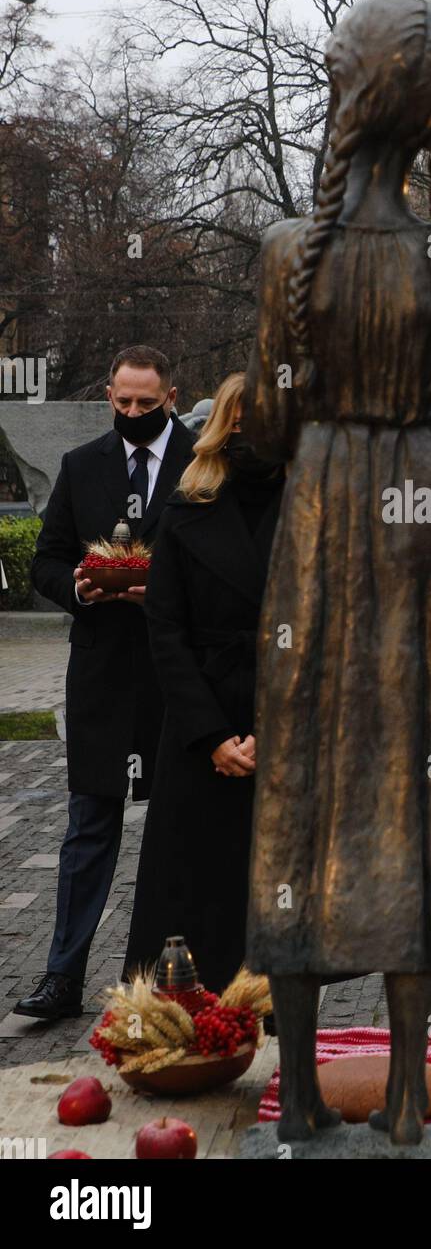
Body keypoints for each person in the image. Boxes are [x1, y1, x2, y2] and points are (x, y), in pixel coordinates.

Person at [243, 0, 431, 1144]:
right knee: (416, 783)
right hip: (417, 524)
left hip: (317, 528)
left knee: (300, 785)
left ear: (354, 92)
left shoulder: (293, 252)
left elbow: (266, 431)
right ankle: (403, 1092)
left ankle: (293, 1092)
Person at [14, 347, 194, 1023]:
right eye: (123, 403)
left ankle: (178, 982)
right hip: (102, 675)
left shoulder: (207, 463)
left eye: (147, 404)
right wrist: (82, 589)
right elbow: (46, 562)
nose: (134, 415)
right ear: (108, 395)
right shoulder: (80, 464)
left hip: (179, 676)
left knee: (180, 829)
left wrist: (170, 591)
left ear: (171, 396)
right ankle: (63, 977)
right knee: (90, 826)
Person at [123, 374, 283, 993]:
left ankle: (274, 1028)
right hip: (201, 733)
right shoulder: (185, 512)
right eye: (237, 423)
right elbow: (165, 632)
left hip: (286, 730)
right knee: (190, 888)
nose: (249, 436)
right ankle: (178, 1021)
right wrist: (214, 736)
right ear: (219, 430)